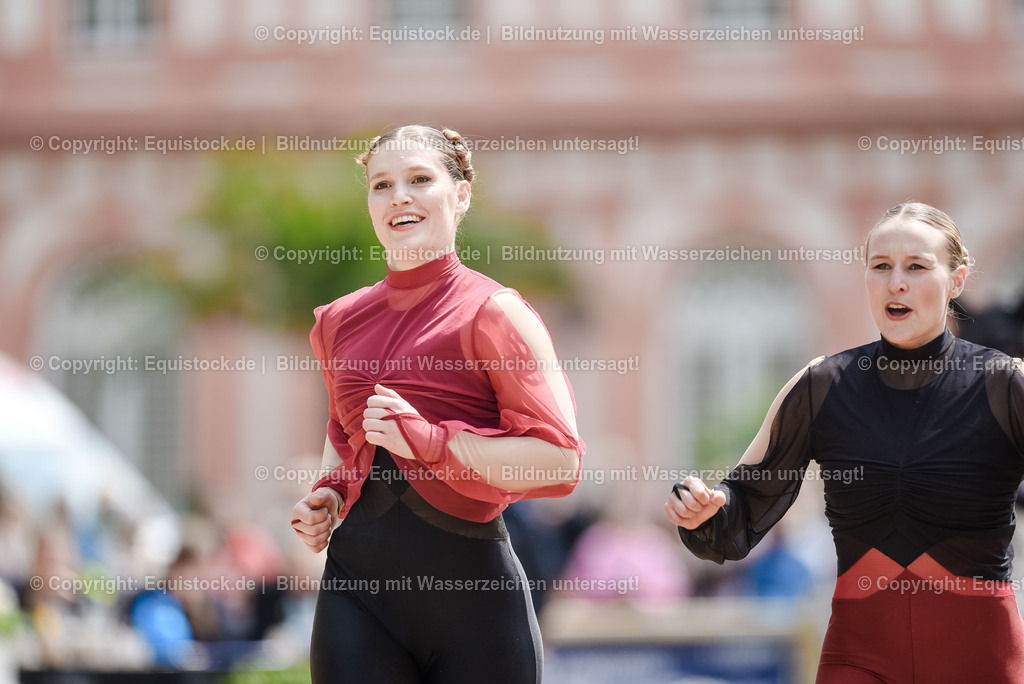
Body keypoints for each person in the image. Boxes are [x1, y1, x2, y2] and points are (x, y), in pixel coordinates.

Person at [664, 202, 1024, 682]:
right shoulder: (821, 385)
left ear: (956, 281)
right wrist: (706, 508)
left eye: (916, 267)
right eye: (881, 267)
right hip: (860, 660)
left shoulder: (1004, 384)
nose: (896, 282)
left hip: (981, 660)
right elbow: (744, 502)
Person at [289, 124, 584, 684]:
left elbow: (561, 461)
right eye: (382, 185)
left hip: (475, 607)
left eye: (420, 179)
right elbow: (344, 433)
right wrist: (326, 494)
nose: (399, 196)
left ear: (461, 194)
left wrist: (429, 439)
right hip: (357, 599)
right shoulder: (336, 321)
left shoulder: (496, 313)